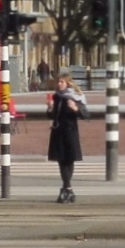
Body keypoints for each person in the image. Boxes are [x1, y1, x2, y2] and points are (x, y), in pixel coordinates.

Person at [47, 74, 85, 203]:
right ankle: (68, 189)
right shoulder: (56, 97)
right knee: (61, 161)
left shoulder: (75, 96)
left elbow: (86, 114)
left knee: (69, 161)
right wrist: (50, 107)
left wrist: (75, 109)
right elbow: (52, 116)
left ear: (68, 83)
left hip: (70, 132)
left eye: (62, 82)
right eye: (58, 82)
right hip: (58, 132)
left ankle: (66, 189)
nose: (59, 84)